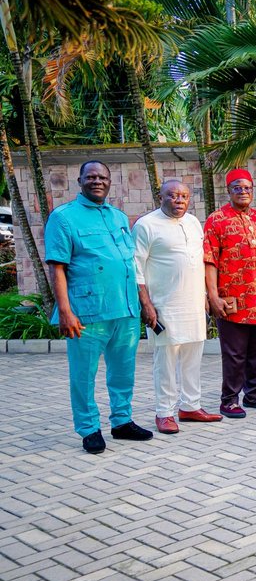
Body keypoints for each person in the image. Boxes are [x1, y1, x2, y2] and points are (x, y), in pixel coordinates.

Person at [46, 160, 152, 453]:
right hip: (87, 312)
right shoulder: (64, 217)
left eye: (102, 177)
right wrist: (65, 311)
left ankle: (121, 421)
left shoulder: (118, 217)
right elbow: (57, 267)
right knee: (83, 374)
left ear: (109, 181)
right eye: (90, 176)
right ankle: (89, 428)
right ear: (79, 180)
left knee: (123, 371)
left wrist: (143, 303)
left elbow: (128, 263)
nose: (97, 181)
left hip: (125, 309)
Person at [134, 179, 222, 434]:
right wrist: (146, 304)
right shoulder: (146, 225)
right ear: (159, 197)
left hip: (194, 304)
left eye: (183, 196)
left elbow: (198, 262)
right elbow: (136, 267)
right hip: (164, 307)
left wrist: (206, 296)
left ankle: (190, 406)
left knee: (193, 358)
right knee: (166, 361)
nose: (179, 201)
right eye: (172, 196)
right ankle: (164, 412)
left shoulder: (194, 223)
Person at [204, 168, 256, 419]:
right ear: (229, 191)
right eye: (237, 187)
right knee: (234, 353)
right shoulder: (216, 220)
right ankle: (228, 400)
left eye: (247, 187)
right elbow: (210, 261)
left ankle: (253, 394)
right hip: (232, 299)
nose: (243, 191)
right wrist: (213, 296)